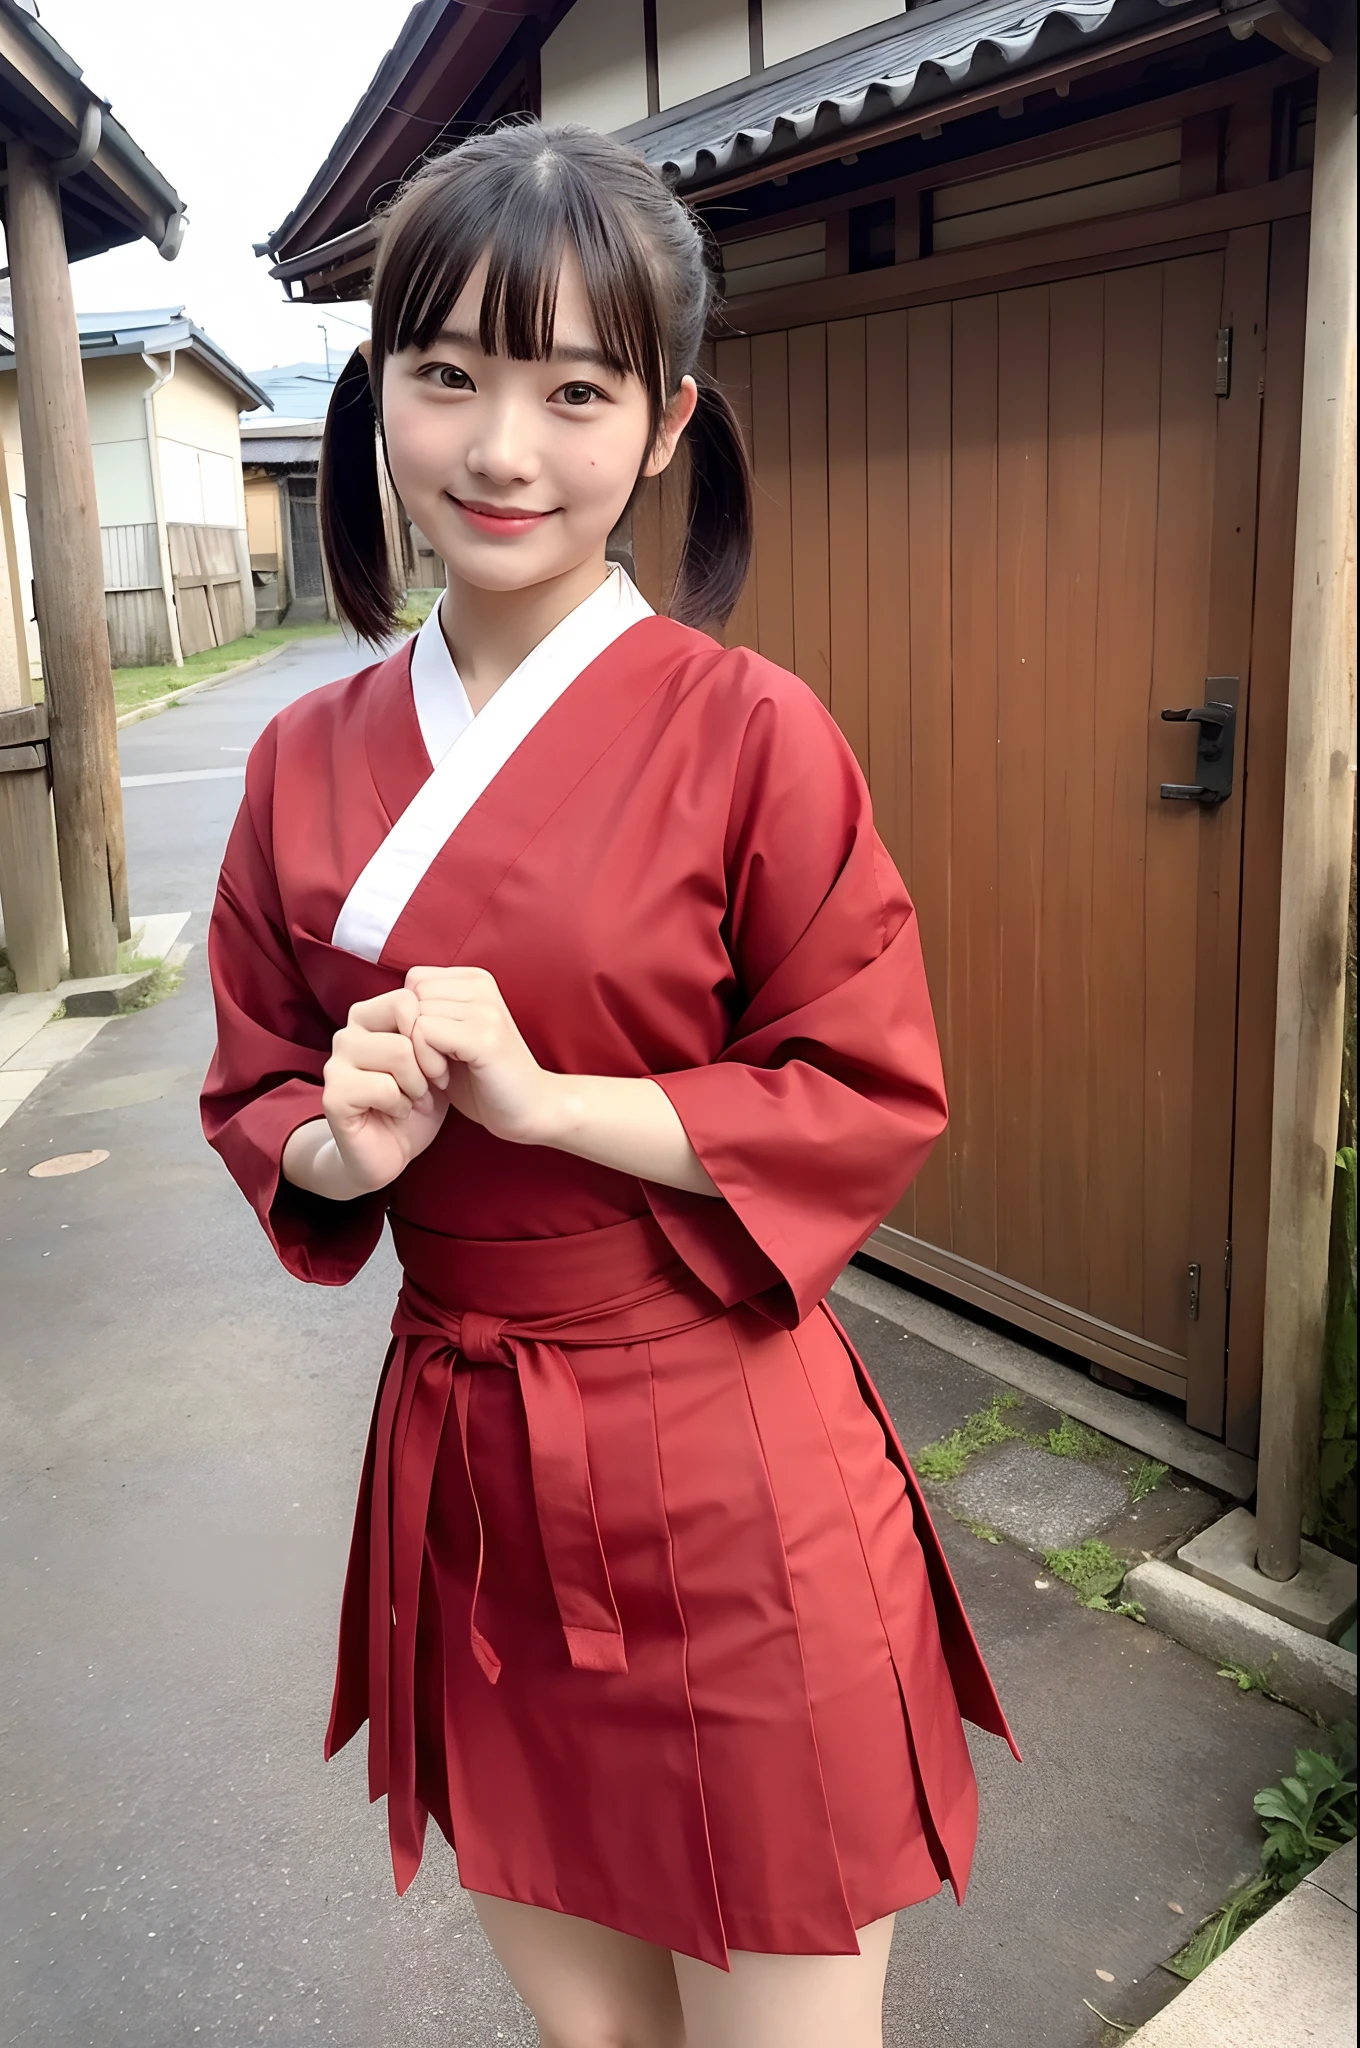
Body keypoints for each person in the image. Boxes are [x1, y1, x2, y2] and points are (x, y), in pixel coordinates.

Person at [201, 121, 1017, 2048]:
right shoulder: (301, 766)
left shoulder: (752, 734)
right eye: (450, 375)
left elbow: (861, 1086)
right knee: (593, 2036)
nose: (503, 451)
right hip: (466, 1471)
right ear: (377, 396)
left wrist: (557, 1104)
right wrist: (343, 1138)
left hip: (732, 1475)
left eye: (576, 391)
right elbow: (258, 1088)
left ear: (665, 425)